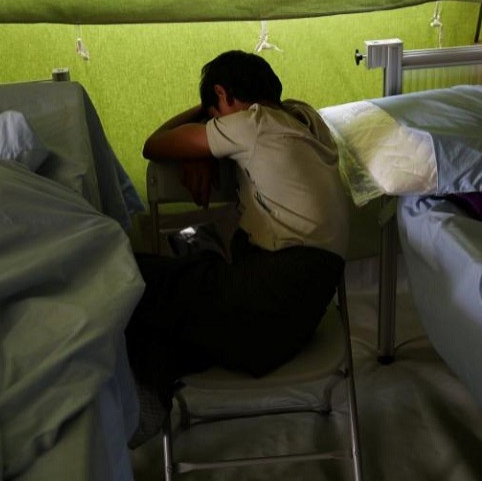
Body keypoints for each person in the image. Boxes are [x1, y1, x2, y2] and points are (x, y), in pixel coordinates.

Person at [125, 50, 350, 445]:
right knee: (190, 256)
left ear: (221, 95)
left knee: (129, 274)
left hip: (269, 298)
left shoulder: (253, 125)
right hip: (302, 315)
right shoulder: (304, 117)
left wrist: (203, 123)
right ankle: (155, 379)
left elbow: (154, 144)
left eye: (215, 112)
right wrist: (210, 146)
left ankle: (144, 388)